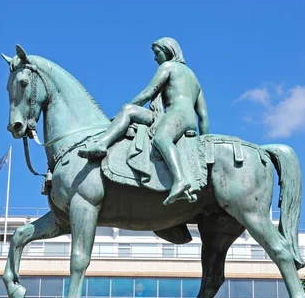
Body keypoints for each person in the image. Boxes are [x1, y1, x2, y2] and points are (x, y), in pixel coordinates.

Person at [78, 37, 210, 205]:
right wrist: (204, 141)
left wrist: (127, 108)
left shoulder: (168, 66)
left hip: (177, 115)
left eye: (157, 53)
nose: (155, 58)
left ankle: (180, 180)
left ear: (168, 51)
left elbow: (149, 92)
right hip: (185, 118)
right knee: (128, 110)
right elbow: (203, 115)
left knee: (161, 138)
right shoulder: (194, 78)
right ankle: (103, 143)